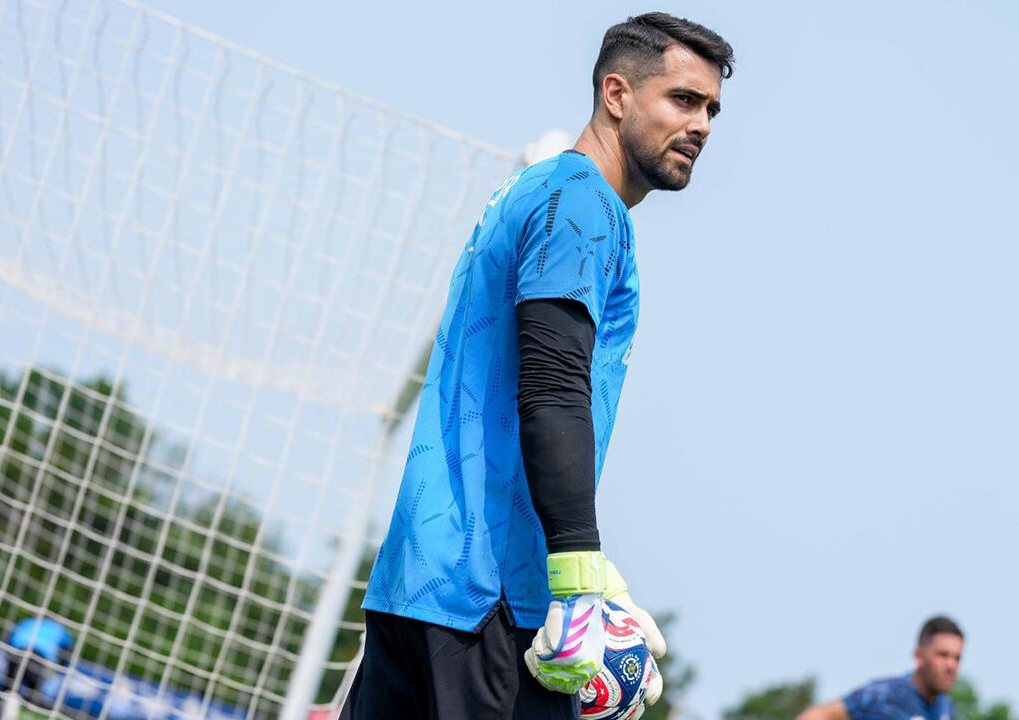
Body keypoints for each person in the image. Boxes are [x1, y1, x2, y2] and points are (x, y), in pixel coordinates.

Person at [343, 12, 734, 720]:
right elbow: (553, 384)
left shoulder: (535, 190)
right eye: (682, 100)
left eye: (711, 108)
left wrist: (597, 574)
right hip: (491, 596)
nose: (702, 123)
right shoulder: (583, 204)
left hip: (420, 581)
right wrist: (579, 574)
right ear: (617, 94)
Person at [796, 616, 964, 720]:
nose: (951, 666)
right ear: (918, 655)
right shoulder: (885, 695)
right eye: (943, 655)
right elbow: (818, 715)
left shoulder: (945, 707)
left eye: (957, 658)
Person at [4, 616, 72, 705]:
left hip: (19, 651)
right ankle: (29, 705)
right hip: (39, 657)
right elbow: (66, 653)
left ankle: (7, 701)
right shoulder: (62, 632)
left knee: (10, 684)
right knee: (34, 689)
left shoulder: (29, 621)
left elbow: (11, 634)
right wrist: (59, 669)